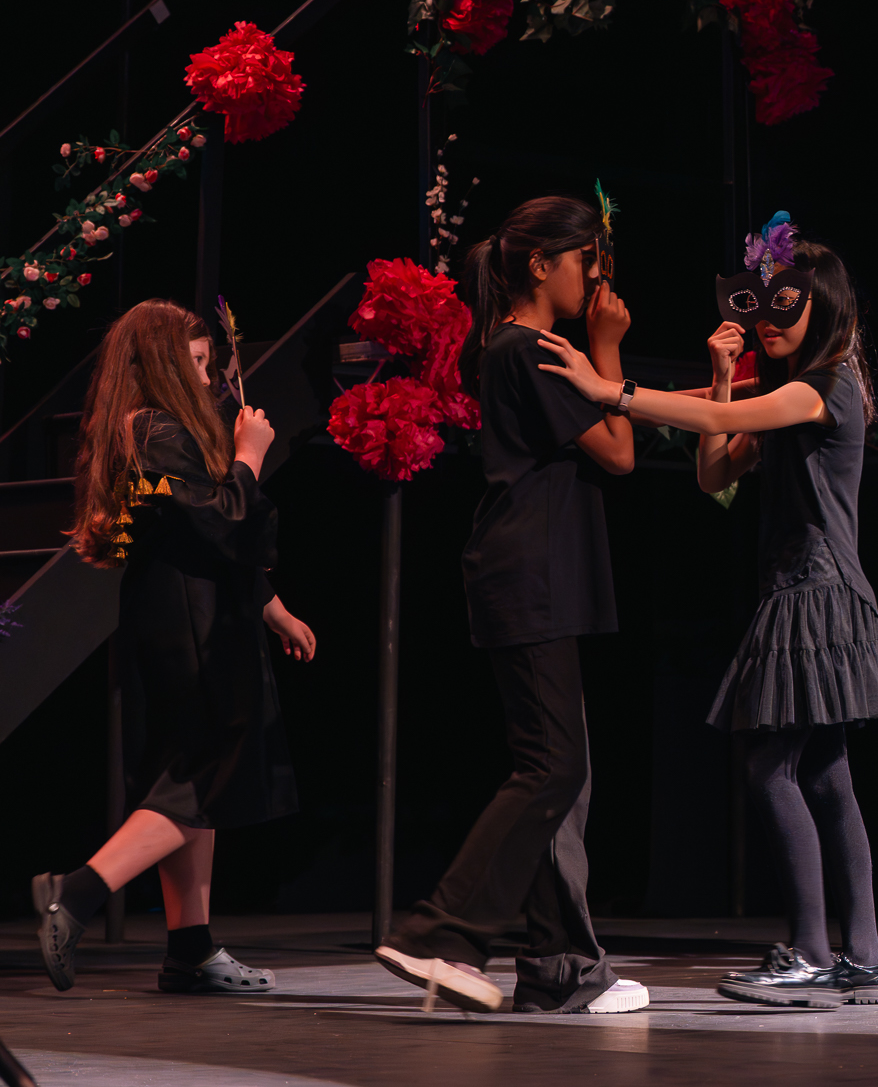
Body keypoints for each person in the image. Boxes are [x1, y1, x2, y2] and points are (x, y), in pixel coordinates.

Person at [538, 216, 878, 1011]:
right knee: (826, 774)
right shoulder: (788, 392)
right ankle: (864, 958)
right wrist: (722, 374)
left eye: (785, 304)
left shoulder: (824, 386)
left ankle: (813, 954)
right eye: (758, 304)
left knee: (773, 767)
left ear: (824, 306)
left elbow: (712, 421)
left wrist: (608, 388)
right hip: (807, 587)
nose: (766, 319)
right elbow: (711, 472)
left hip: (817, 591)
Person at [373, 196, 647, 1016]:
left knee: (560, 768)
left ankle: (556, 963)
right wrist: (607, 346)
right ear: (540, 263)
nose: (594, 279)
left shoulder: (519, 347)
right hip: (530, 573)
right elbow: (621, 452)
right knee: (552, 765)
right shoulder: (531, 349)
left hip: (534, 572)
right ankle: (442, 934)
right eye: (586, 261)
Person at [34, 299, 317, 996]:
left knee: (189, 776)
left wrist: (271, 607)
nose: (207, 376)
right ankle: (76, 892)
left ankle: (191, 948)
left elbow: (195, 532)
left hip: (183, 610)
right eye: (193, 362)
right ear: (161, 364)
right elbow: (221, 520)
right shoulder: (154, 430)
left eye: (208, 362)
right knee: (202, 776)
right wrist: (250, 456)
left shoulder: (146, 431)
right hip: (190, 622)